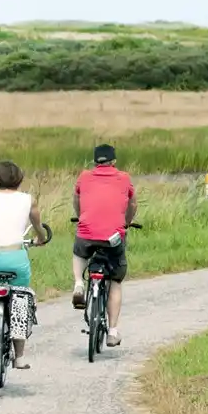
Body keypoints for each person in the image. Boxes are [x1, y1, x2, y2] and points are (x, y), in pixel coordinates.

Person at [0, 160, 51, 370]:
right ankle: (20, 356)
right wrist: (41, 238)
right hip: (16, 259)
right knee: (20, 297)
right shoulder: (28, 200)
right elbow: (38, 227)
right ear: (20, 179)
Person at [72, 143, 136, 347]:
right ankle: (112, 331)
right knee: (115, 280)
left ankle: (78, 284)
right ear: (113, 161)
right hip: (114, 236)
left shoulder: (84, 177)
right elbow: (132, 204)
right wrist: (126, 221)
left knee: (80, 252)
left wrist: (80, 215)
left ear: (95, 161)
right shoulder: (124, 178)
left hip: (87, 232)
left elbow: (77, 198)